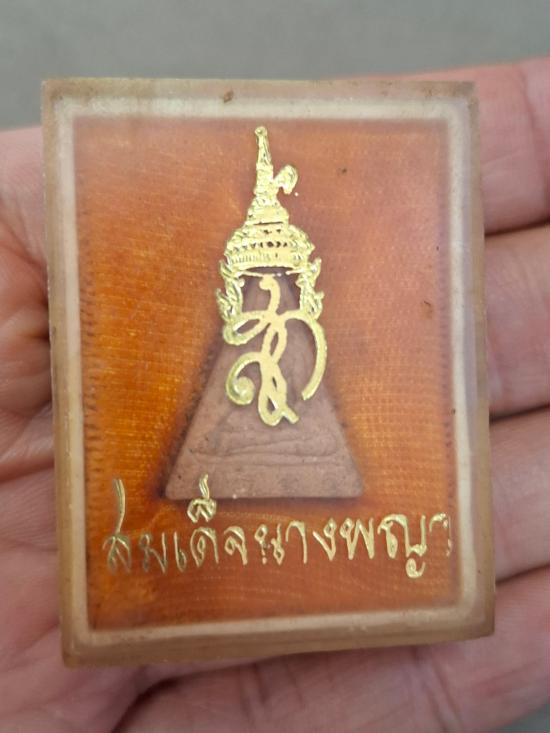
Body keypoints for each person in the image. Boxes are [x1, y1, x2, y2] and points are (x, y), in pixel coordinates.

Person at [0, 57, 549, 732]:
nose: (267, 303)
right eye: (253, 294)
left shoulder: (296, 334)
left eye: (279, 292)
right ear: (235, 297)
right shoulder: (250, 334)